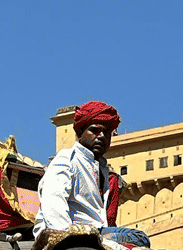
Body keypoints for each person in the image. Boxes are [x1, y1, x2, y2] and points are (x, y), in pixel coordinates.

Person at [34, 100, 122, 238]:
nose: (101, 136)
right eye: (95, 130)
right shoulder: (67, 159)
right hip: (70, 233)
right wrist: (67, 238)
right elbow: (53, 202)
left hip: (94, 232)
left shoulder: (104, 171)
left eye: (106, 132)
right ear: (81, 132)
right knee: (137, 237)